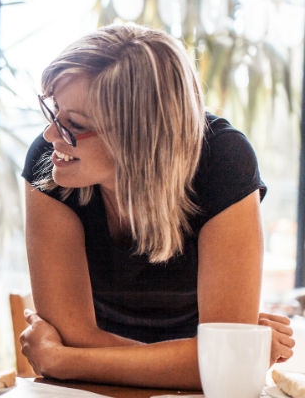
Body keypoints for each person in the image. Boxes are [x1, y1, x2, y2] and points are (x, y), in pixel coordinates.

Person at [19, 24, 294, 389]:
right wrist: (203, 359)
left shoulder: (222, 160)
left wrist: (64, 360)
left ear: (138, 136)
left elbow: (226, 366)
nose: (51, 134)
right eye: (53, 110)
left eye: (73, 124)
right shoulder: (51, 161)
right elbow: (225, 361)